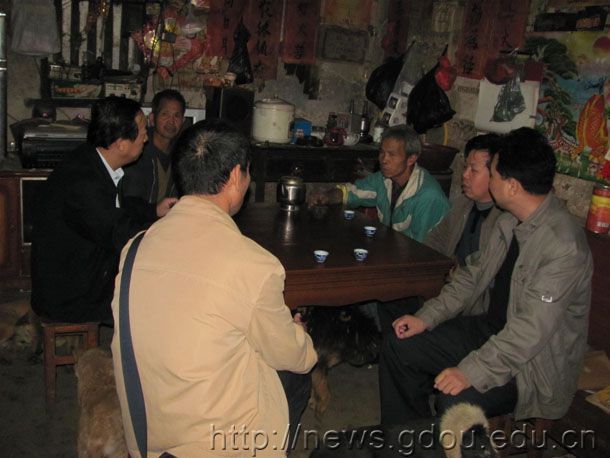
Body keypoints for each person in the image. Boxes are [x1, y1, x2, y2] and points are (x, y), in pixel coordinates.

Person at [111, 120, 317, 457]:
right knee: (295, 373)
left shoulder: (136, 247)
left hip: (147, 435)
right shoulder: (253, 264)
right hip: (214, 444)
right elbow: (292, 355)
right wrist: (301, 337)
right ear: (236, 176)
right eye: (247, 172)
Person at [379, 127, 592, 425]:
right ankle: (408, 438)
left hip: (531, 365)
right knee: (398, 345)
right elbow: (471, 276)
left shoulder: (563, 247)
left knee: (454, 400)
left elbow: (530, 332)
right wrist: (426, 317)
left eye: (492, 174)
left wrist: (471, 372)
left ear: (512, 186)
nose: (489, 182)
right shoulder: (508, 221)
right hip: (489, 332)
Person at [31, 97, 177, 324]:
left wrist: (153, 211)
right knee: (158, 293)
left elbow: (117, 206)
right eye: (141, 132)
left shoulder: (93, 161)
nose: (146, 137)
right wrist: (171, 234)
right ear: (121, 144)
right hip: (70, 295)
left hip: (85, 270)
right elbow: (119, 232)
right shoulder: (82, 181)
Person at [378, 134, 503, 334]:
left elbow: (478, 279)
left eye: (473, 170)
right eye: (465, 167)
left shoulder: (503, 220)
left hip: (472, 306)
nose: (465, 175)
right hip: (444, 288)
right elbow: (434, 241)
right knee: (387, 298)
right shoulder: (462, 204)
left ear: (497, 174)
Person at [310, 124, 449, 242]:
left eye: (392, 155)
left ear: (411, 159)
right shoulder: (383, 179)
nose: (384, 160)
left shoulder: (427, 196)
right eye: (382, 152)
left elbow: (420, 249)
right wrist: (327, 195)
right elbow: (351, 192)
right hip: (394, 251)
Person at [121, 89, 186, 204]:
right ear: (152, 118)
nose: (171, 121)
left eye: (177, 115)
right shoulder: (138, 151)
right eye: (165, 114)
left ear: (183, 121)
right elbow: (130, 201)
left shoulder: (183, 153)